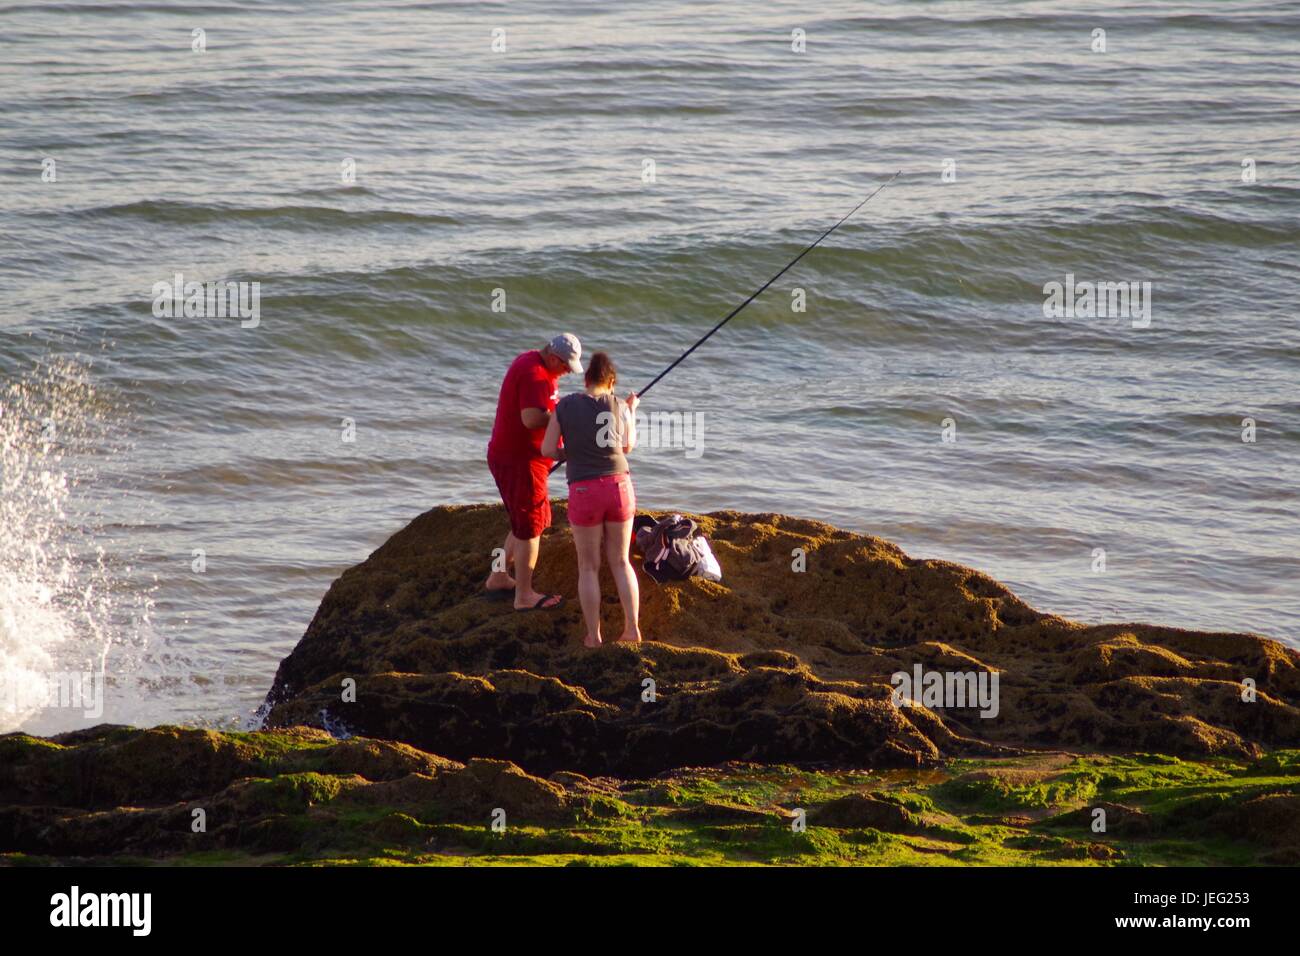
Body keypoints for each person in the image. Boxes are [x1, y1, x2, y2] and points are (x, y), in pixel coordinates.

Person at [540, 351, 641, 647]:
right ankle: (632, 630)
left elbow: (548, 450)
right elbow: (627, 446)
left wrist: (570, 453)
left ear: (585, 380)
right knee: (621, 561)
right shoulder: (620, 405)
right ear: (611, 382)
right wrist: (631, 410)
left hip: (584, 490)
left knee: (588, 567)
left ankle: (593, 636)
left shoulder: (565, 406)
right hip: (619, 487)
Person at [485, 333, 583, 610]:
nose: (566, 373)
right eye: (565, 367)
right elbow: (530, 419)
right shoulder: (534, 373)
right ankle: (524, 596)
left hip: (521, 460)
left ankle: (498, 576)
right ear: (553, 357)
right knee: (531, 527)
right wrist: (564, 417)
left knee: (522, 521)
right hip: (519, 463)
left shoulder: (535, 364)